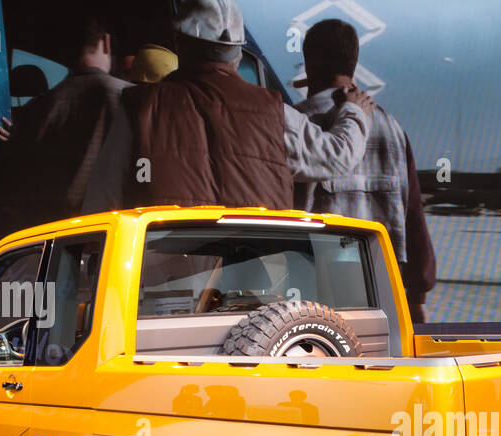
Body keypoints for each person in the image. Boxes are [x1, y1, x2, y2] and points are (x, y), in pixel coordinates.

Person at [82, 0, 374, 213]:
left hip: (163, 280)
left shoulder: (138, 108)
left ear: (180, 44)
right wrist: (354, 110)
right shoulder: (274, 112)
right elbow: (337, 156)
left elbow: (102, 201)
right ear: (237, 53)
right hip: (258, 281)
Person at [293, 19, 436, 321]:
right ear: (353, 62)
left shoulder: (297, 122)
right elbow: (412, 212)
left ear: (308, 64)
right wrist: (419, 289)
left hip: (313, 293)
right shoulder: (392, 127)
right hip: (381, 292)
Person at [0, 13, 132, 226]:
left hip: (53, 227)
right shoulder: (131, 97)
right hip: (111, 225)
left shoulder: (40, 106)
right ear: (106, 41)